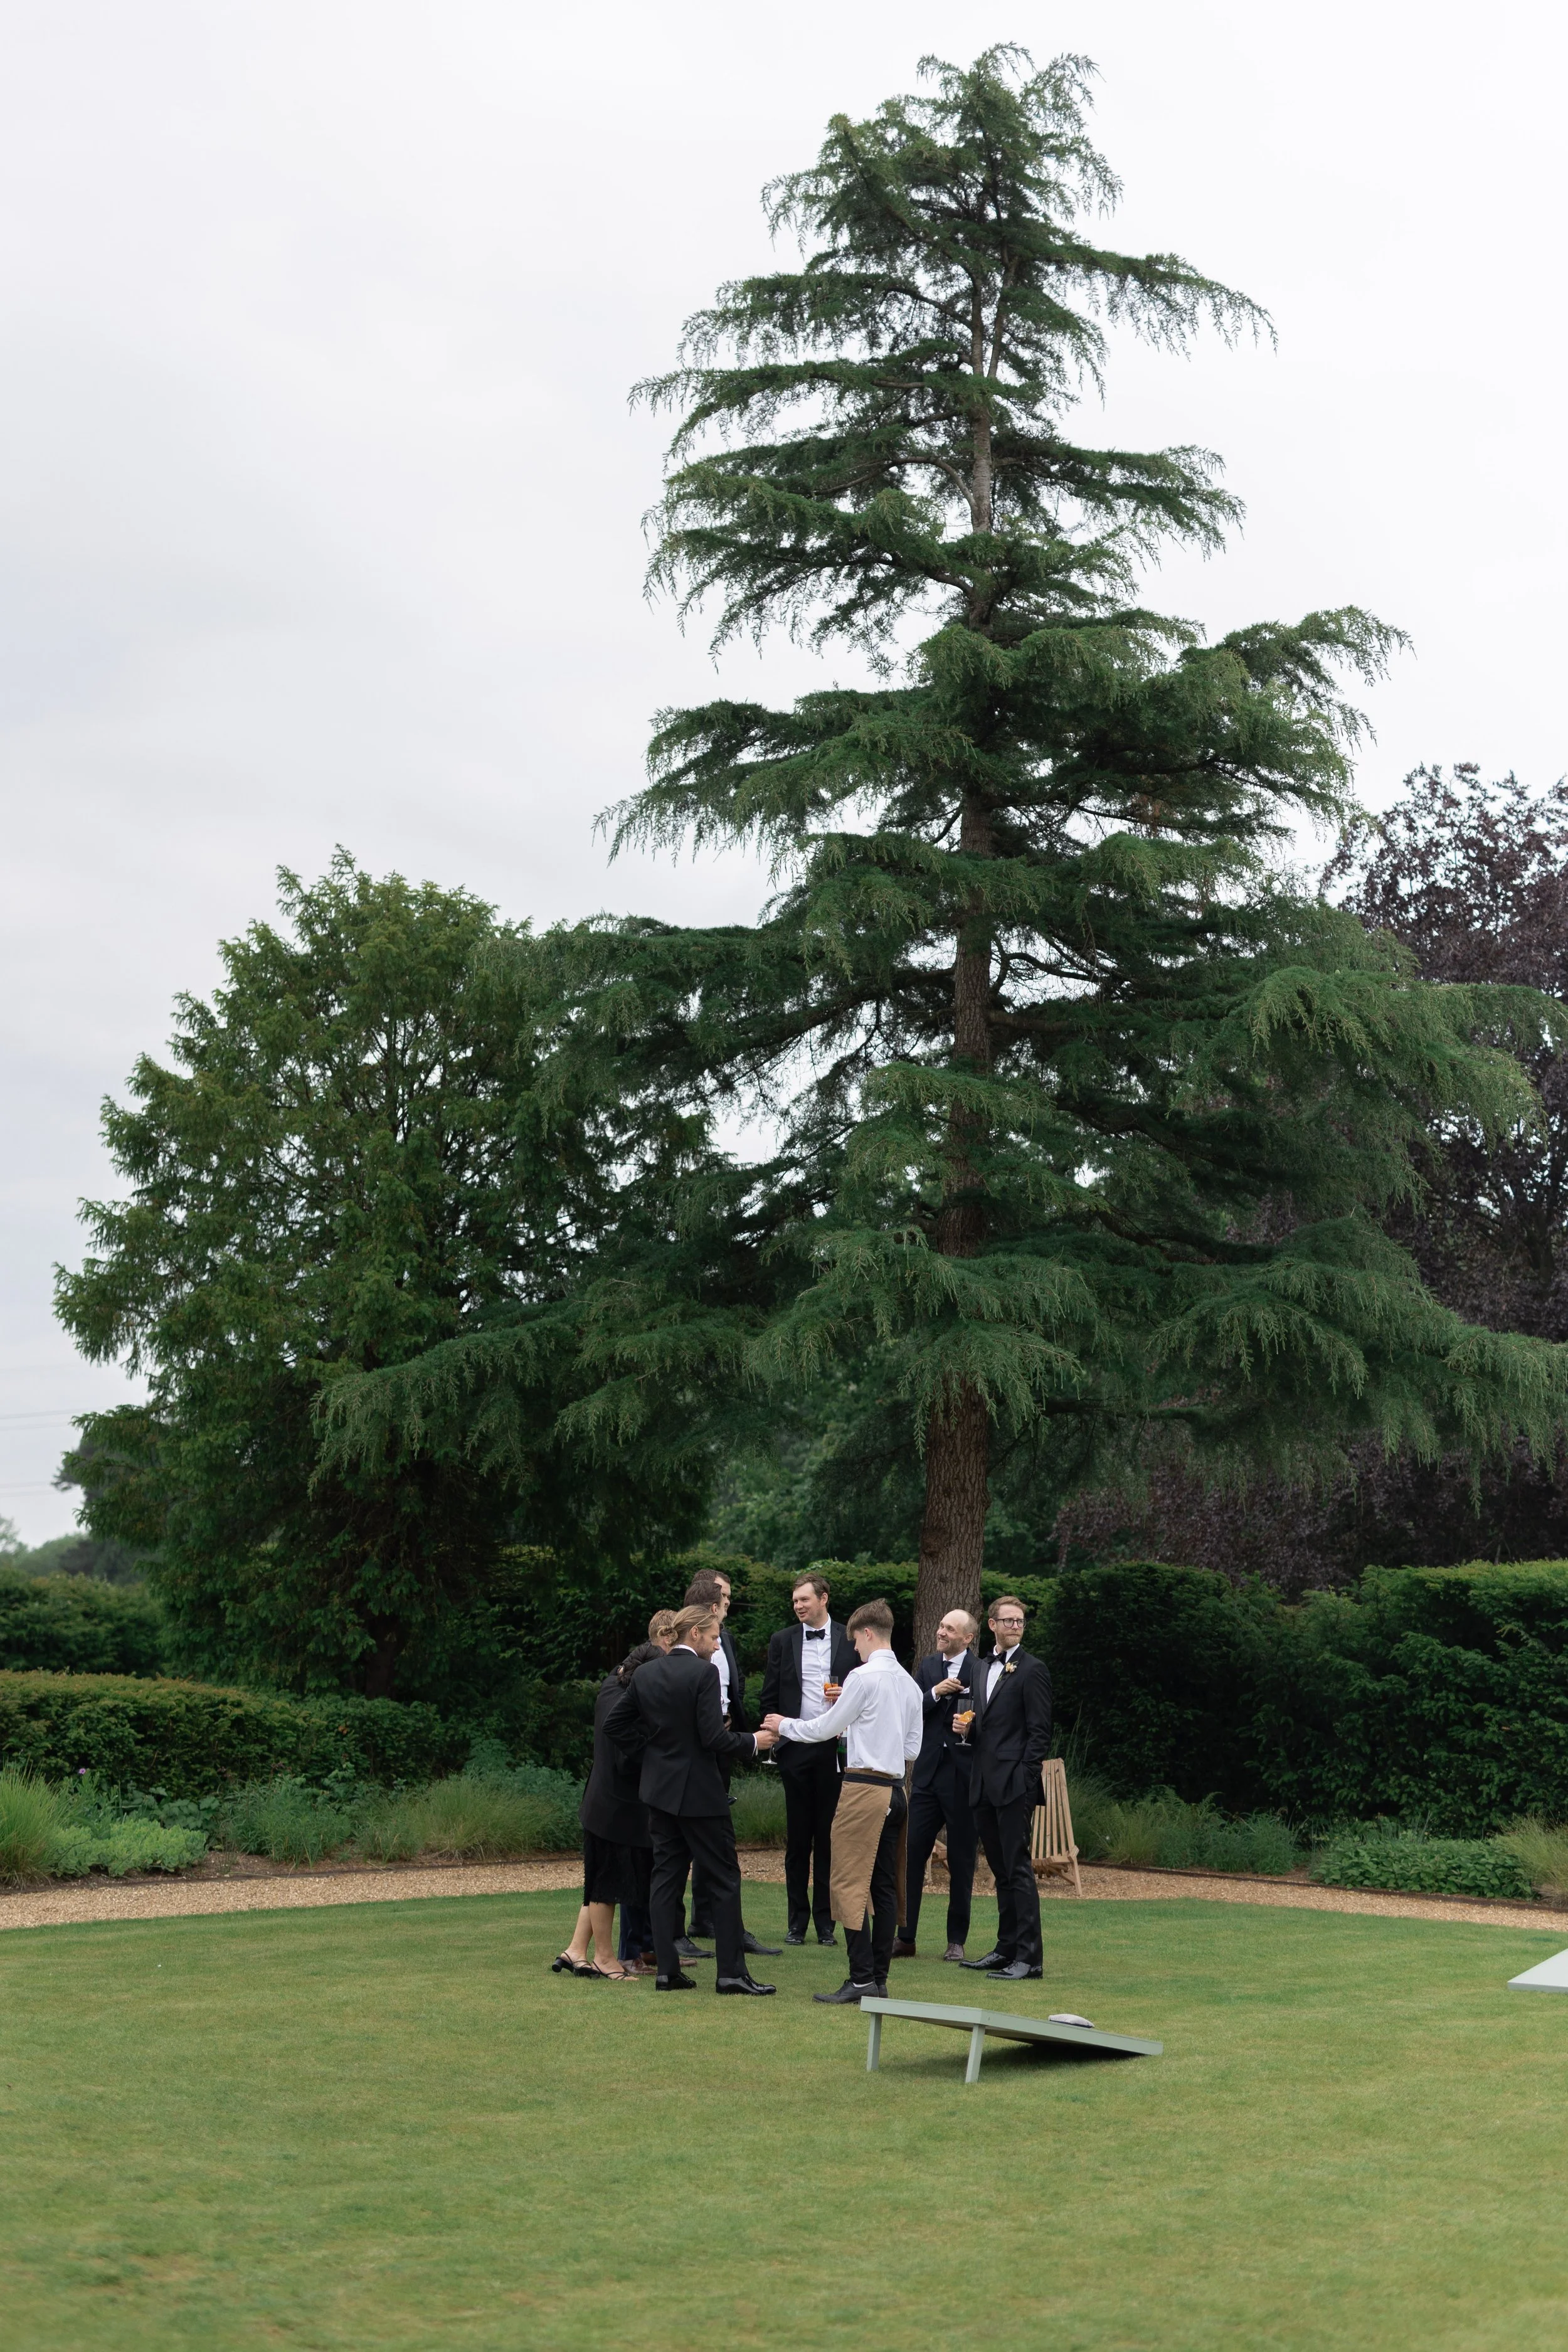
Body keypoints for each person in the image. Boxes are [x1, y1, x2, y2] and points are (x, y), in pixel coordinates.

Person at [605, 1604, 780, 1993]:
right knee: (724, 1878)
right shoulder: (704, 1673)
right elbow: (713, 1739)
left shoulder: (647, 1673)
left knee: (665, 1878)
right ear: (695, 1634)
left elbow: (615, 1724)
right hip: (699, 1794)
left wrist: (651, 1754)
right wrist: (755, 1742)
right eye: (716, 1636)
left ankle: (667, 1971)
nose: (719, 1646)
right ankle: (732, 1974)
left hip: (659, 1793)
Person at [763, 1598, 922, 2006]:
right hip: (897, 1790)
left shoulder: (863, 1677)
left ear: (868, 1633)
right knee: (884, 1886)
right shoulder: (909, 1683)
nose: (854, 1648)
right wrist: (865, 1736)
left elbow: (824, 1728)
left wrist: (785, 1725)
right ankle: (879, 1980)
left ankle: (860, 1978)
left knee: (849, 1884)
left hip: (862, 1790)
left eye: (855, 1641)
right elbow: (913, 1747)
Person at [677, 1569, 780, 1964]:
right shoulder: (682, 1640)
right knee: (690, 1839)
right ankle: (689, 1929)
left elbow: (731, 1692)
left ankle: (711, 1920)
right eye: (725, 1598)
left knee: (715, 1834)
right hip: (696, 1749)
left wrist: (743, 1738)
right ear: (709, 1602)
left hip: (722, 1747)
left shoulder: (727, 1642)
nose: (728, 1605)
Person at [553, 1640, 664, 1981]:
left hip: (603, 1803)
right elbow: (626, 1757)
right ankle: (605, 1958)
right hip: (614, 1809)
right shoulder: (626, 1706)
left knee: (599, 1881)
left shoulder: (611, 1686)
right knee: (607, 1885)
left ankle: (575, 1950)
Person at [758, 1572, 858, 1946]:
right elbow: (769, 1695)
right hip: (795, 1749)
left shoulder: (849, 1639)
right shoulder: (782, 1640)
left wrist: (844, 1696)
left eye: (804, 1599)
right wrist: (777, 1741)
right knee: (798, 1841)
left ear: (824, 1599)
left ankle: (827, 1924)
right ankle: (796, 1923)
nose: (798, 1606)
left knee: (830, 1839)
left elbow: (865, 1692)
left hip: (835, 1748)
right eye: (795, 1600)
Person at [959, 1596, 1053, 1983]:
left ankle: (1030, 1958)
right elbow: (989, 1725)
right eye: (1009, 1621)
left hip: (1015, 1785)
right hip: (982, 1782)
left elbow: (1039, 1733)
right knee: (999, 1871)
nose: (1016, 1626)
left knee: (1017, 1869)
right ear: (992, 1625)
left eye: (1021, 1622)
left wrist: (1025, 1781)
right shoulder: (981, 1668)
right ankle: (1005, 1948)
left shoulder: (1033, 1670)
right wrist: (969, 1730)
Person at [892, 1607, 979, 1963]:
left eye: (950, 1628)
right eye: (941, 1625)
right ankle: (905, 1936)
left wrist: (970, 1728)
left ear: (967, 1638)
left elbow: (989, 1716)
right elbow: (909, 1709)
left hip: (963, 1777)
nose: (941, 1632)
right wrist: (936, 1693)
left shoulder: (981, 1669)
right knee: (912, 1856)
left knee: (961, 1859)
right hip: (927, 1776)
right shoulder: (928, 1666)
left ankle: (956, 1940)